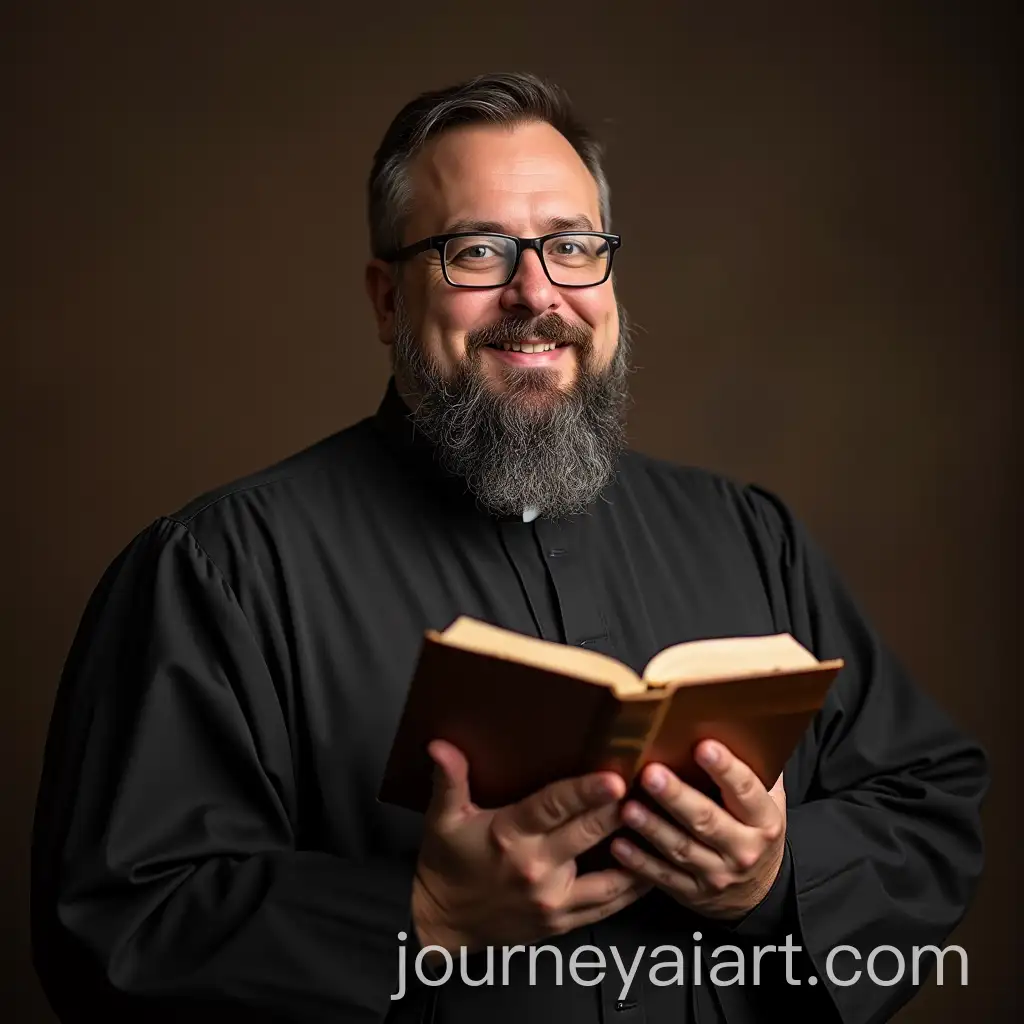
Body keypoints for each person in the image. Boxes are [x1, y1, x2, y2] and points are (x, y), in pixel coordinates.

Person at [31, 72, 988, 1024]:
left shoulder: (749, 533)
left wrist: (776, 881)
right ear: (385, 300)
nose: (537, 295)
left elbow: (929, 803)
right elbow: (113, 934)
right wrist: (422, 918)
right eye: (477, 251)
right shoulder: (216, 571)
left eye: (573, 246)